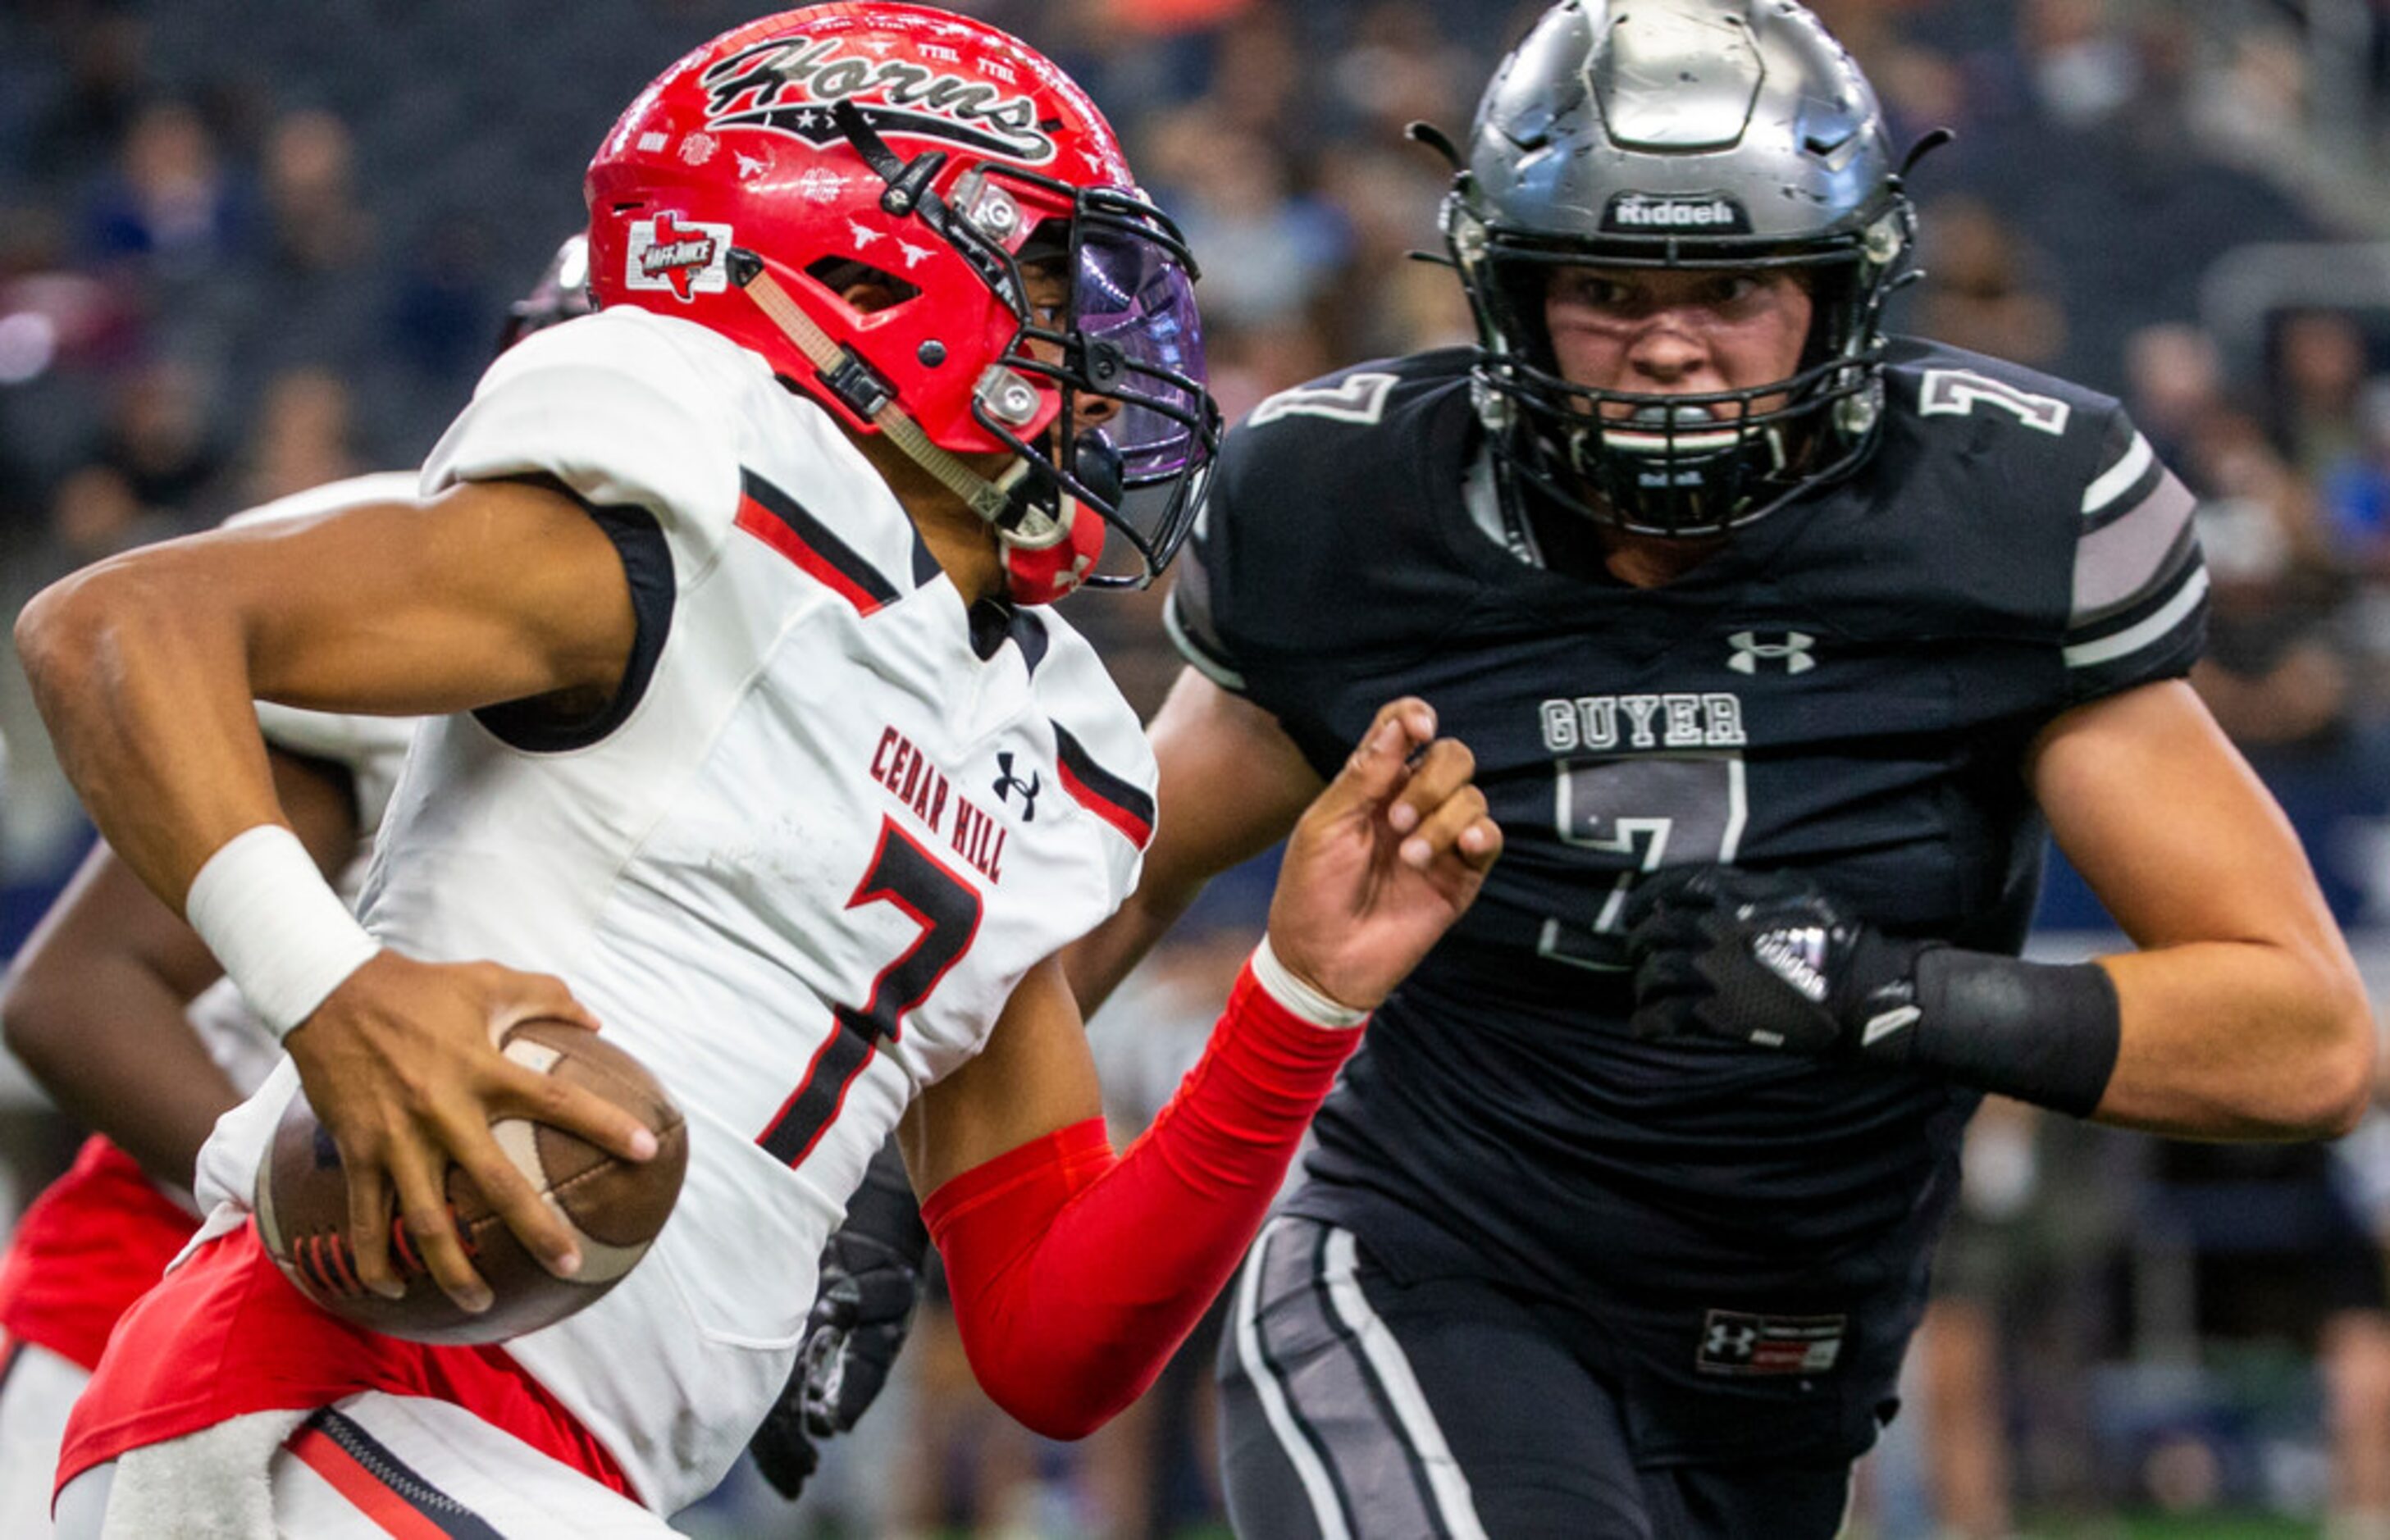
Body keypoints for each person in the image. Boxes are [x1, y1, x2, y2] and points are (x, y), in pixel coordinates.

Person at [14, 7, 1502, 1535]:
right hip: (326, 1399)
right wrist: (328, 993)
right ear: (866, 278)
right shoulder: (692, 504)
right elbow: (115, 626)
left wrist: (1302, 997)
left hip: (540, 1470)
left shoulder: (1028, 735)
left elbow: (1054, 1342)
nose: (1102, 345)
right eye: (1052, 278)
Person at [1055, 2, 2377, 1535]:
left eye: (1734, 282)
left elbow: (2303, 1039)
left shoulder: (2000, 525)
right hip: (1435, 1275)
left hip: (1790, 1371)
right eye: (1605, 285)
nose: (1670, 342)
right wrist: (895, 1190)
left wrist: (1887, 993)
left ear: (1842, 288)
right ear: (1507, 288)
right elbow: (1105, 885)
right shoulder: (1355, 514)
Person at [0, 235, 595, 1538]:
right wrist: (343, 1207)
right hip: (175, 1308)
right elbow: (73, 990)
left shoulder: (812, 686)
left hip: (480, 1356)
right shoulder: (424, 590)